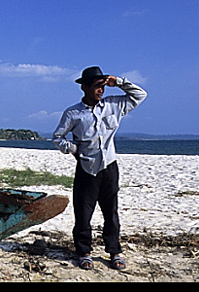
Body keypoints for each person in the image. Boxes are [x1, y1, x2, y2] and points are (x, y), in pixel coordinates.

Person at [53, 66, 147, 271]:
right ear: (84, 87)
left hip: (109, 167)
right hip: (86, 168)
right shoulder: (73, 113)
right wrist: (72, 148)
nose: (100, 90)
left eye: (102, 86)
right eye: (96, 86)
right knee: (83, 213)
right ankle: (84, 252)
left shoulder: (114, 105)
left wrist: (120, 82)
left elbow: (140, 95)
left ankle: (114, 252)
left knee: (111, 212)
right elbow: (57, 137)